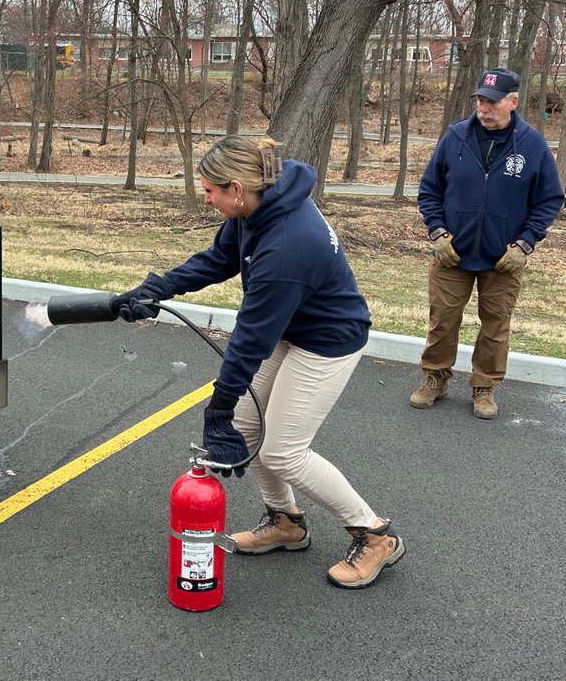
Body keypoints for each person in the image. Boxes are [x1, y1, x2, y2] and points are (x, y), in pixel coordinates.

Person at [113, 135, 403, 590]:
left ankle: (374, 534)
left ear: (234, 187)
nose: (205, 198)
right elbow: (218, 260)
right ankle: (287, 524)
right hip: (291, 330)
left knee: (284, 451)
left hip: (328, 340)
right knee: (249, 432)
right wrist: (156, 288)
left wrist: (218, 406)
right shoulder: (256, 207)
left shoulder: (288, 246)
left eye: (209, 191)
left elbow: (249, 339)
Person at [412, 68, 564, 419]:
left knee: (495, 326)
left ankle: (484, 387)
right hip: (453, 253)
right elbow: (429, 191)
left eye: (492, 102)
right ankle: (435, 377)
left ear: (512, 102)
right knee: (443, 320)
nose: (484, 108)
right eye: (480, 100)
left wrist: (525, 244)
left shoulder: (532, 145)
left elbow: (549, 200)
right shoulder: (455, 137)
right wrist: (436, 232)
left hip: (503, 257)